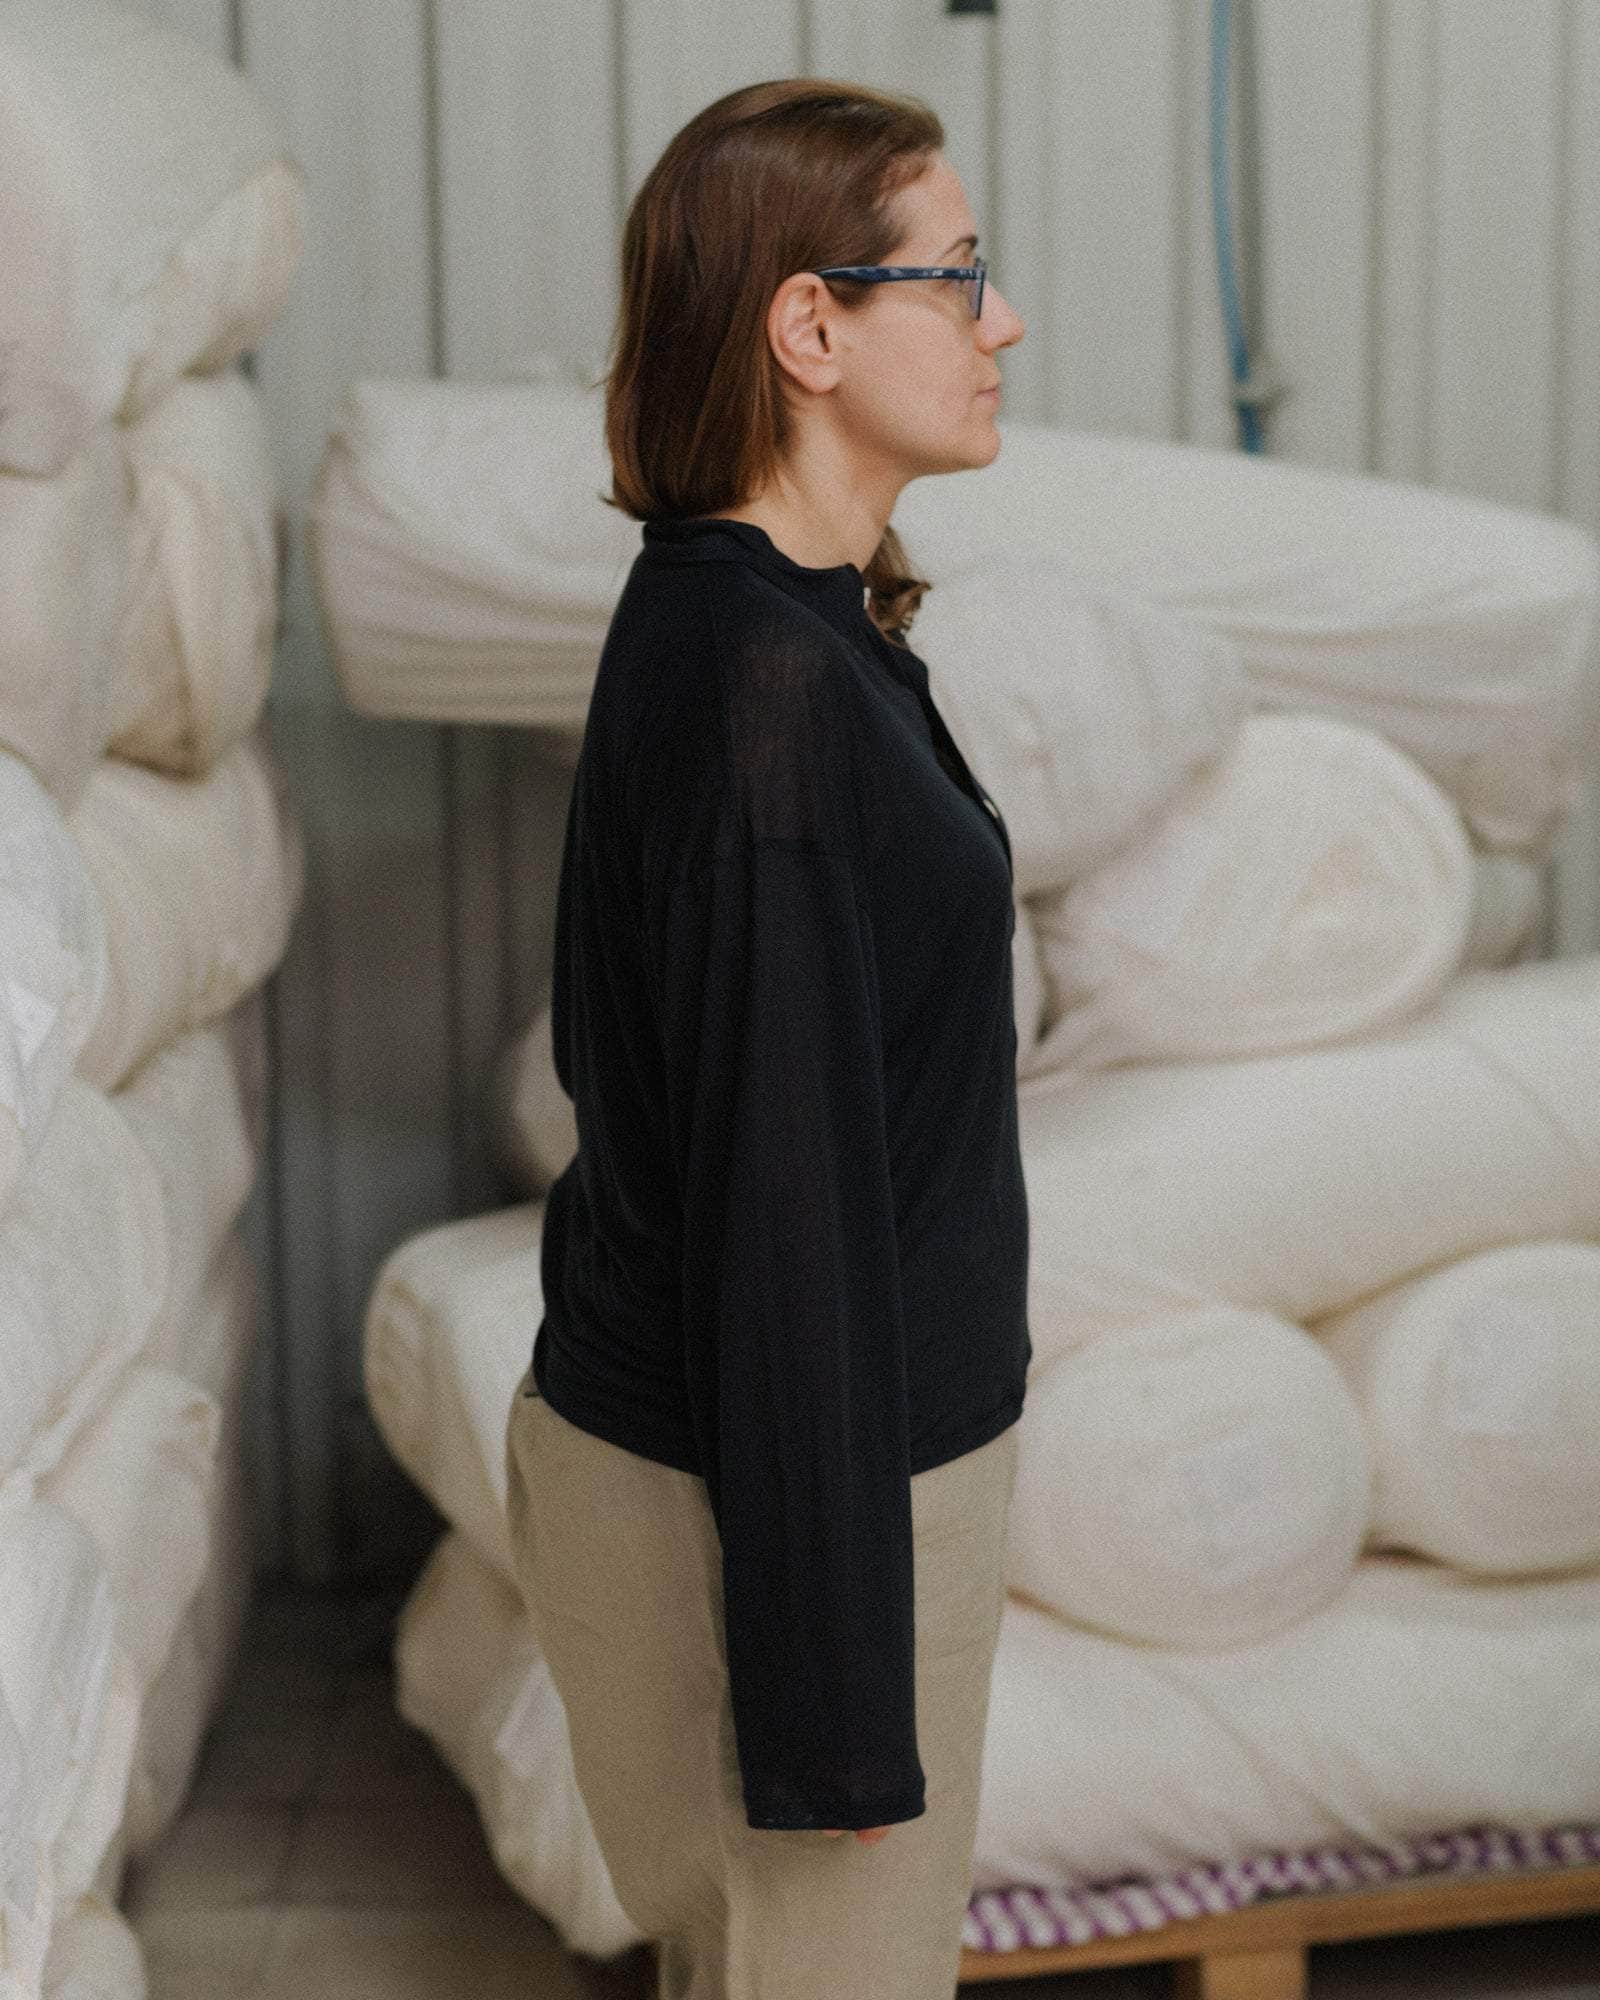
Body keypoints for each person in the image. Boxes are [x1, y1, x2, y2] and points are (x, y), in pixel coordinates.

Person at [504, 73, 1030, 2000]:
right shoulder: (767, 694)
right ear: (811, 326)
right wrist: (831, 1721)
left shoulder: (784, 630)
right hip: (787, 1507)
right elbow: (782, 1217)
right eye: (955, 275)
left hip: (784, 1478)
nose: (1002, 321)